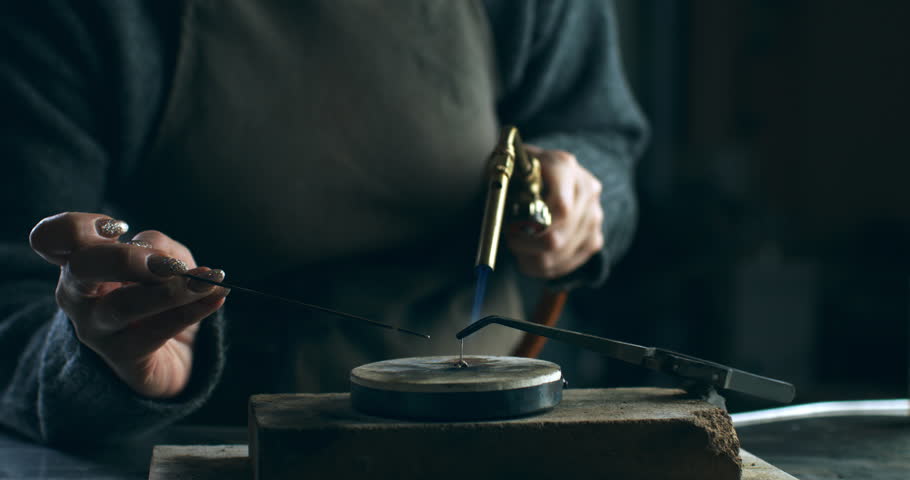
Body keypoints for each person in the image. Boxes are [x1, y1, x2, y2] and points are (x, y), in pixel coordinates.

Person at [0, 0, 647, 444]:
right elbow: (17, 314)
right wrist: (103, 359)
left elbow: (597, 132)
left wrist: (583, 201)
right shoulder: (76, 18)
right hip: (211, 447)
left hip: (502, 435)